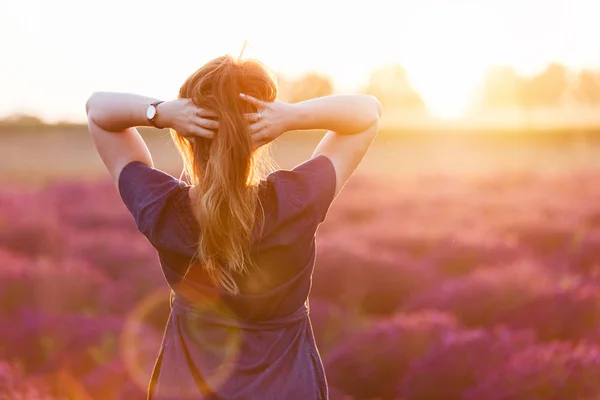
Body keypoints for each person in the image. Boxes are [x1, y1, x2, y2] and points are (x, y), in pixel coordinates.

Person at [85, 54, 382, 400]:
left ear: (188, 133)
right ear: (261, 134)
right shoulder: (295, 201)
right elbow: (368, 112)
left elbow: (98, 110)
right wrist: (292, 117)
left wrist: (162, 112)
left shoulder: (163, 209)